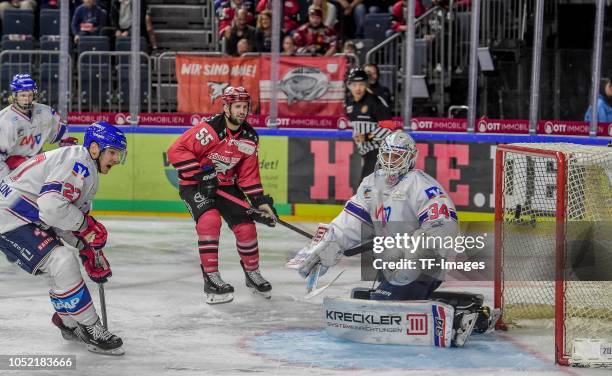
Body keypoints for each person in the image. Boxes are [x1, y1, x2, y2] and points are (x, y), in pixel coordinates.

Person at [289, 132, 498, 347]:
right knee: (381, 303)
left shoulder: (422, 186)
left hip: (424, 262)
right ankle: (461, 306)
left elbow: (443, 228)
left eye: (396, 156)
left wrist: (415, 257)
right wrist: (324, 250)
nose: (390, 161)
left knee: (385, 306)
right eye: (386, 155)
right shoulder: (370, 185)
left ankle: (467, 317)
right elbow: (349, 223)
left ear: (410, 158)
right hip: (392, 263)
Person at [0, 121, 127, 355]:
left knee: (57, 267)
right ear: (96, 148)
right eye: (113, 153)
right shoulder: (79, 164)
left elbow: (58, 214)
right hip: (10, 216)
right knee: (60, 260)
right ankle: (89, 327)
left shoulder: (81, 160)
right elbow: (51, 207)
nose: (116, 160)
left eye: (119, 155)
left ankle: (68, 324)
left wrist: (84, 244)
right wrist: (86, 227)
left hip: (20, 213)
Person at [167, 86, 276, 305]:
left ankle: (252, 273)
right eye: (237, 106)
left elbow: (248, 176)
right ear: (226, 108)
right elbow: (175, 151)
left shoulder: (249, 137)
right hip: (194, 185)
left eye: (245, 107)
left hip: (225, 186)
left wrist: (260, 202)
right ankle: (211, 278)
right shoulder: (210, 130)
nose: (242, 111)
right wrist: (202, 174)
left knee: (246, 226)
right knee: (209, 221)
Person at [0, 74, 78, 180]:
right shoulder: (5, 120)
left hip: (38, 165)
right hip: (13, 171)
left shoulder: (45, 112)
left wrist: (68, 151)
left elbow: (64, 137)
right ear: (15, 95)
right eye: (23, 95)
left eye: (30, 95)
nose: (27, 99)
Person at [345, 68, 397, 182]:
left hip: (379, 153)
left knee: (365, 189)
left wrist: (367, 137)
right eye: (354, 84)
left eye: (361, 84)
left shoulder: (376, 102)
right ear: (348, 85)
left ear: (367, 84)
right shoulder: (350, 103)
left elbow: (389, 129)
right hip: (366, 154)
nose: (358, 88)